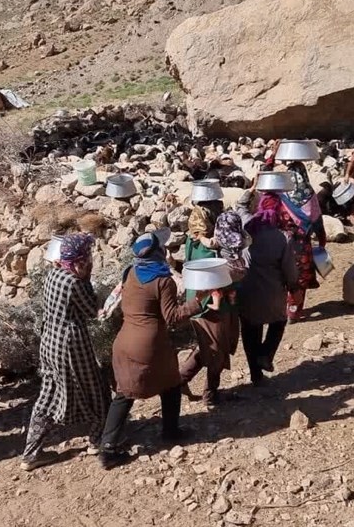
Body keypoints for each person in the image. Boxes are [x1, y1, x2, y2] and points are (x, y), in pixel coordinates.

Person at [99, 233, 205, 469]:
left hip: (124, 342)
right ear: (157, 252)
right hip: (149, 346)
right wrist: (198, 301)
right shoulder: (162, 280)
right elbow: (172, 317)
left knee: (124, 394)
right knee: (170, 384)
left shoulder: (130, 272)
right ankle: (170, 431)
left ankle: (107, 448)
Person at [21, 233, 110, 472]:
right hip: (71, 344)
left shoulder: (54, 274)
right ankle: (97, 439)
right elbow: (91, 310)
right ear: (80, 260)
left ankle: (31, 453)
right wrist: (88, 280)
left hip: (49, 341)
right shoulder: (75, 281)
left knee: (47, 395)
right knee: (96, 389)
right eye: (88, 256)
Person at [236, 192, 299, 385]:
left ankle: (256, 375)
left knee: (250, 332)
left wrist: (251, 189)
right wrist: (293, 285)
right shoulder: (281, 238)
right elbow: (289, 269)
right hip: (272, 292)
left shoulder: (246, 226)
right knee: (278, 322)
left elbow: (240, 207)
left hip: (245, 290)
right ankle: (266, 354)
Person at [179, 199, 236, 408]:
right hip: (211, 306)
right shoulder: (210, 248)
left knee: (205, 347)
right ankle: (209, 393)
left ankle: (181, 380)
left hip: (195, 301)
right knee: (216, 350)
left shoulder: (189, 240)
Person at [280, 161, 327, 322]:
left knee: (282, 274)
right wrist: (322, 241)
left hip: (281, 244)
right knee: (300, 278)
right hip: (301, 246)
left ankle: (281, 307)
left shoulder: (282, 195)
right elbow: (317, 222)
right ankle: (293, 311)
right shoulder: (310, 196)